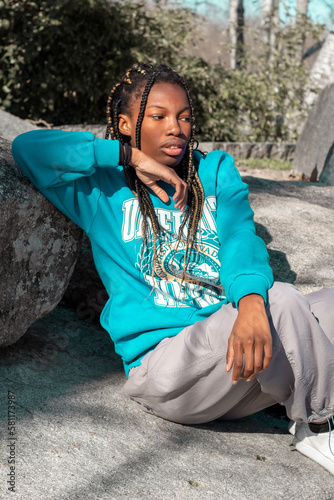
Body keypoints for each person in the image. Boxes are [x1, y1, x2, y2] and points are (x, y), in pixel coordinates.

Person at [12, 63, 334, 475]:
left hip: (232, 365)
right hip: (168, 369)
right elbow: (28, 147)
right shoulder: (101, 186)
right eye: (158, 116)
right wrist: (127, 157)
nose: (175, 128)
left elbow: (240, 239)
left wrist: (250, 302)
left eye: (183, 116)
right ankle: (319, 424)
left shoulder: (214, 171)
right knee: (284, 300)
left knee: (321, 306)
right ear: (127, 124)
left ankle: (296, 395)